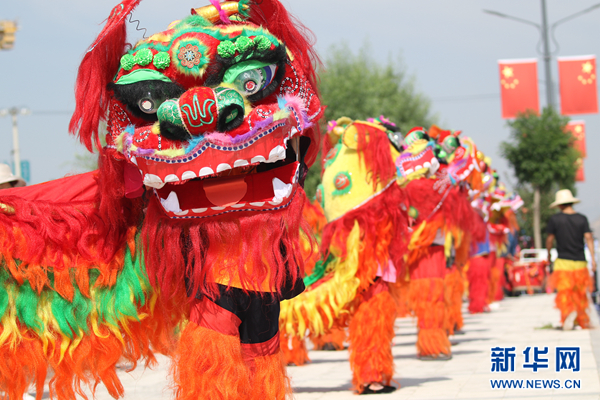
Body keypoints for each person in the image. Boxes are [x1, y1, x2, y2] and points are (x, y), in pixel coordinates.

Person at [546, 189, 596, 330]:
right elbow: (589, 238)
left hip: (563, 261)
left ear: (560, 205)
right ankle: (579, 319)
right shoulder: (582, 218)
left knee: (564, 291)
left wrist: (549, 254)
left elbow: (550, 239)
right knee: (580, 292)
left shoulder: (555, 220)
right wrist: (593, 259)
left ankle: (568, 314)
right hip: (580, 261)